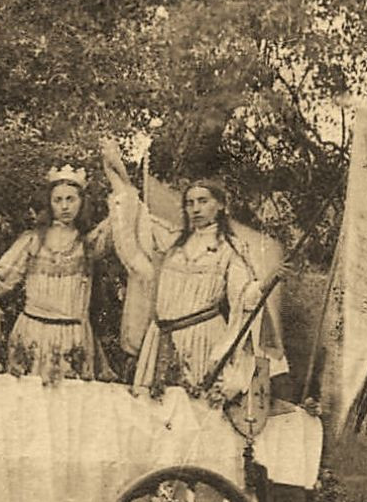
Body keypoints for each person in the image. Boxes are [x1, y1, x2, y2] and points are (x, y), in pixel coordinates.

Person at [101, 139, 285, 396]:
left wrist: (268, 281)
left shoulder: (228, 250)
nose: (195, 208)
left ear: (220, 205)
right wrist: (117, 176)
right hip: (161, 340)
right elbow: (136, 217)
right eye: (190, 203)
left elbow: (243, 297)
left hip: (201, 340)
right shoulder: (173, 242)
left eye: (203, 201)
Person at [0, 164, 115, 380]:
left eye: (71, 199)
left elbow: (120, 223)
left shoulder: (89, 243)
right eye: (58, 200)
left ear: (81, 202)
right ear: (49, 203)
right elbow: (0, 279)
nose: (65, 206)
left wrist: (118, 178)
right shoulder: (33, 240)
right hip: (32, 333)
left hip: (72, 336)